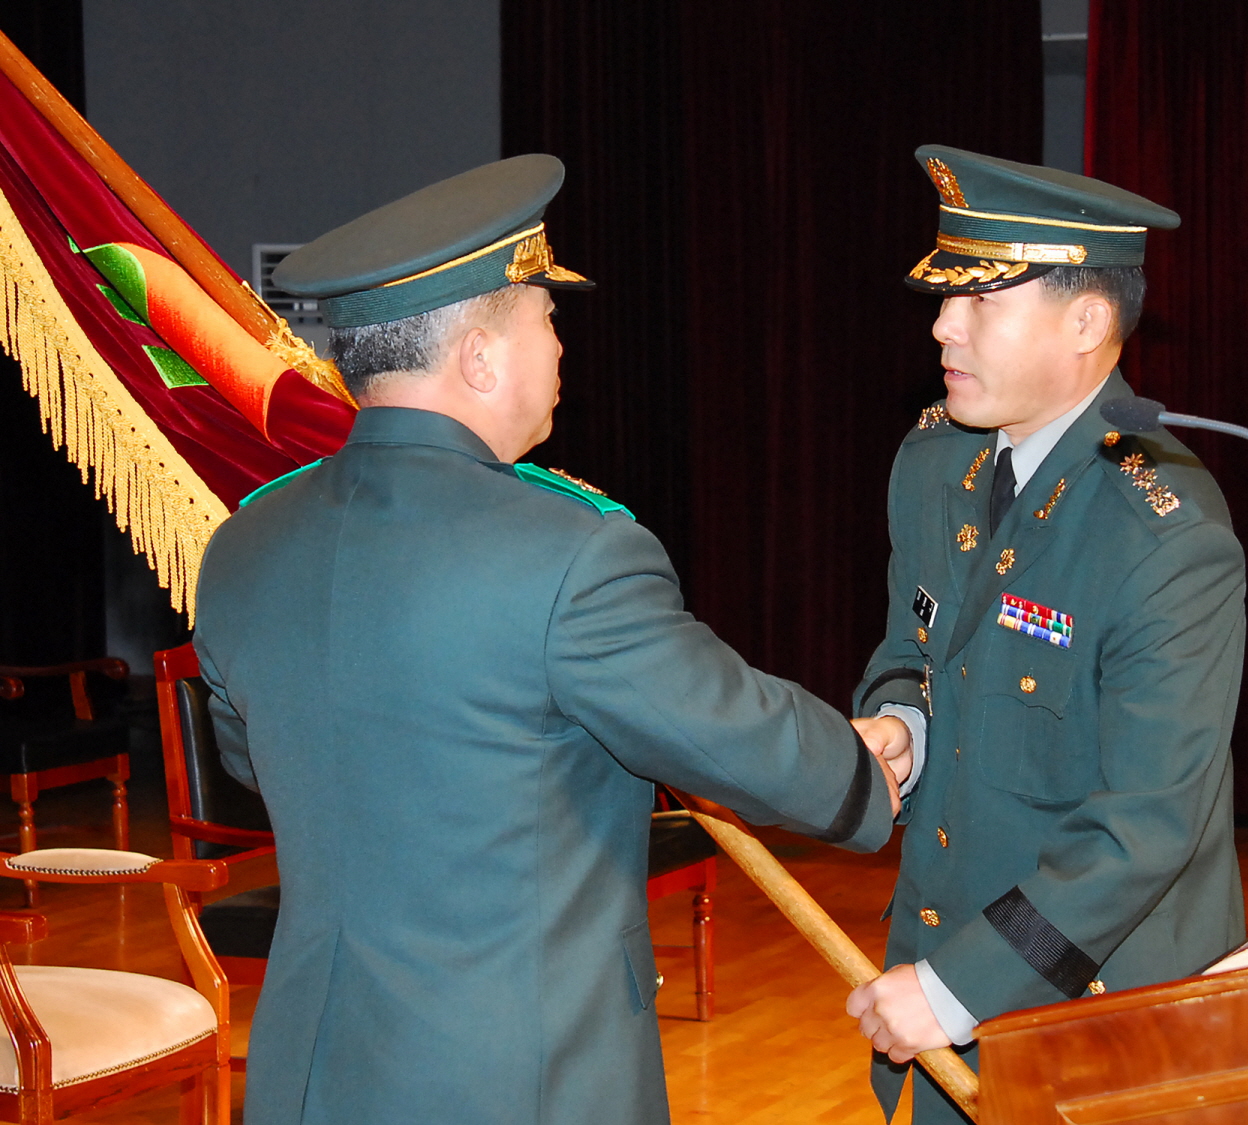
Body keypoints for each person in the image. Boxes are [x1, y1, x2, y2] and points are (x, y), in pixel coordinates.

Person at [194, 154, 899, 1125]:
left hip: (310, 1074)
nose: (563, 348)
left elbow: (251, 761)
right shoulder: (572, 554)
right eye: (547, 319)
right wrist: (867, 772)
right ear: (480, 357)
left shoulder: (241, 547)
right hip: (517, 1079)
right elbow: (723, 729)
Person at [844, 145, 1246, 1123]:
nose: (943, 324)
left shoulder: (1165, 535)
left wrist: (953, 990)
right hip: (944, 992)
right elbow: (917, 644)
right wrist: (904, 723)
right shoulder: (935, 464)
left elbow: (1145, 829)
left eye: (982, 301)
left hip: (1093, 1022)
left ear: (1086, 322)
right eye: (948, 297)